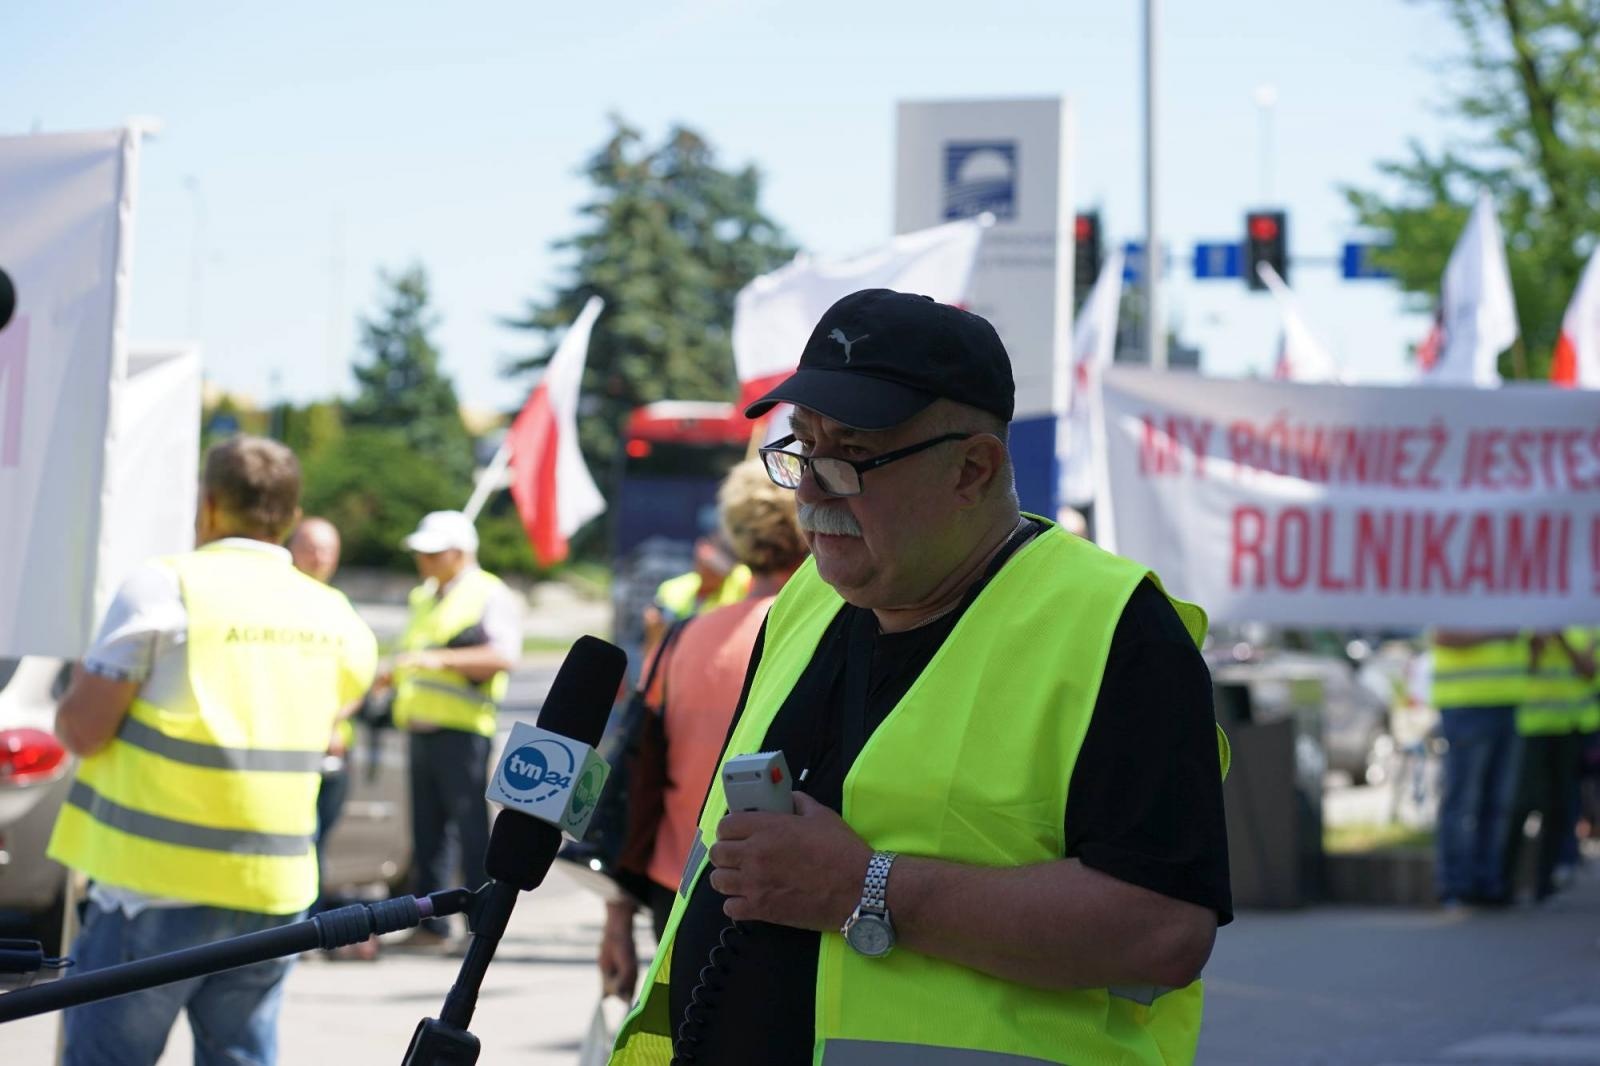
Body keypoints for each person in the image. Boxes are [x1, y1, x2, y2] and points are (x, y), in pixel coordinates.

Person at [608, 289, 1231, 1065]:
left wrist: (862, 889)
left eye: (851, 457)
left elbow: (1164, 931)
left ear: (973, 468)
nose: (808, 489)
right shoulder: (808, 600)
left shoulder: (1114, 626)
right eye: (801, 447)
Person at [47, 436, 378, 1066]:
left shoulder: (164, 586)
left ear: (207, 504)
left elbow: (83, 731)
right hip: (272, 896)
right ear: (289, 512)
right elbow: (344, 697)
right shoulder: (332, 613)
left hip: (151, 889)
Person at [598, 458, 808, 997]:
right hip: (784, 889)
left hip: (680, 888)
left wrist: (617, 914)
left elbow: (639, 778)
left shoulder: (681, 640)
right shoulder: (825, 632)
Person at [385, 509, 522, 948]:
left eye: (432, 553)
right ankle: (431, 924)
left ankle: (481, 927)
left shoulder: (489, 593)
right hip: (421, 726)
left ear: (460, 554)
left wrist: (436, 660)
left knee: (469, 831)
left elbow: (503, 655)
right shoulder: (423, 596)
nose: (422, 561)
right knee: (428, 833)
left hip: (463, 729)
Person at [1429, 628, 1529, 906]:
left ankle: (1489, 885)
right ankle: (1454, 887)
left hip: (1507, 701)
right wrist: (1496, 634)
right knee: (1462, 801)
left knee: (1499, 804)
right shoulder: (1457, 589)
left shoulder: (1511, 593)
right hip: (1466, 705)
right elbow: (1442, 635)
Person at [1503, 628, 1597, 902]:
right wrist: (1536, 646)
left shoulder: (1584, 628)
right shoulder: (1526, 628)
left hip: (1569, 727)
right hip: (1530, 727)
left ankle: (1546, 881)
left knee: (1559, 806)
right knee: (1523, 804)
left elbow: (1589, 672)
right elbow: (1519, 671)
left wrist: (1564, 643)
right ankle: (1505, 880)